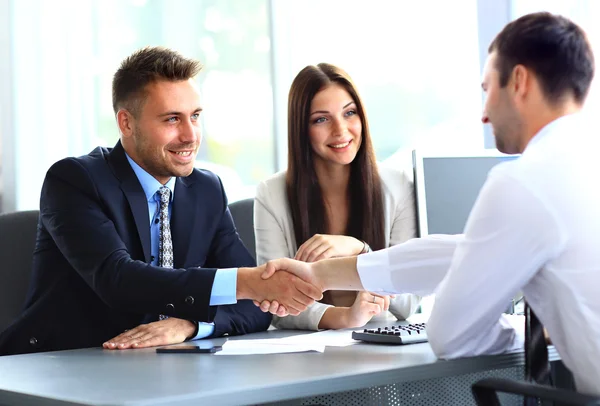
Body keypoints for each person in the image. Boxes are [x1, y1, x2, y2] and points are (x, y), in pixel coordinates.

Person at [260, 12, 600, 396]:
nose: (484, 114)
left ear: (519, 82)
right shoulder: (579, 162)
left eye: (487, 88)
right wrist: (323, 275)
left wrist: (530, 328)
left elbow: (453, 335)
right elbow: (463, 251)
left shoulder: (527, 180)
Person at [0, 47, 321, 356]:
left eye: (195, 116)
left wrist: (191, 325)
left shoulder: (206, 189)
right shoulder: (75, 179)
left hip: (163, 363)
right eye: (171, 119)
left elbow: (255, 306)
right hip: (62, 363)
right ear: (126, 122)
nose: (191, 135)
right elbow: (118, 280)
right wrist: (245, 282)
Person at [254, 63, 420, 330]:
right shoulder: (271, 193)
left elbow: (409, 301)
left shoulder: (399, 185)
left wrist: (360, 250)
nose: (341, 130)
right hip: (307, 349)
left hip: (382, 341)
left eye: (349, 113)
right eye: (321, 119)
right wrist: (345, 318)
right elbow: (276, 302)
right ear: (301, 129)